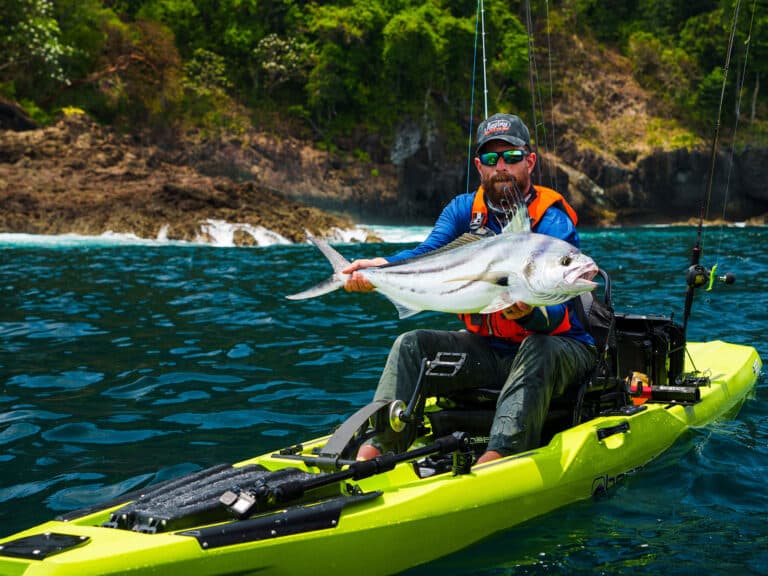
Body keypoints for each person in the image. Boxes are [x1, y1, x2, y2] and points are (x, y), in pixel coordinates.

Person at [345, 113, 597, 464]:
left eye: (511, 157)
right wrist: (382, 267)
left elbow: (557, 314)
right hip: (489, 351)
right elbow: (425, 255)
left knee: (538, 347)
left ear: (530, 161)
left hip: (561, 352)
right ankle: (374, 452)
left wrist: (529, 314)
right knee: (411, 345)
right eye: (492, 159)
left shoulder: (552, 220)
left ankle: (496, 458)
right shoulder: (462, 210)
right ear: (479, 166)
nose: (501, 167)